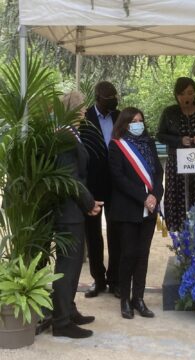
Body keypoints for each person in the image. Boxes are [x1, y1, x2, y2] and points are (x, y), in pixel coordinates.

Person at [52, 91, 103, 338]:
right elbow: (69, 179)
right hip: (68, 211)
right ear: (73, 109)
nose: (85, 111)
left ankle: (69, 309)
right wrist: (89, 202)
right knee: (68, 266)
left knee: (72, 267)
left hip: (74, 210)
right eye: (82, 107)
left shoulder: (70, 133)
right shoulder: (64, 136)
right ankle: (60, 322)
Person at [108, 107, 164, 319]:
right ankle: (124, 299)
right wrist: (143, 197)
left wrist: (155, 195)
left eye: (140, 120)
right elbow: (118, 178)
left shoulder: (148, 143)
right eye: (133, 120)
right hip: (128, 209)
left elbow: (158, 172)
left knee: (142, 255)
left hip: (149, 209)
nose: (138, 123)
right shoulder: (116, 146)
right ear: (125, 124)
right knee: (128, 254)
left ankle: (138, 298)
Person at [157, 77, 195, 231]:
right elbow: (160, 135)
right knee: (178, 199)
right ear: (177, 95)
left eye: (190, 93)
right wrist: (179, 140)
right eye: (182, 94)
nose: (186, 97)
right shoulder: (169, 112)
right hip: (177, 163)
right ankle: (179, 234)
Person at [80, 81, 120, 298]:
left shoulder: (119, 116)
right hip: (92, 186)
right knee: (93, 235)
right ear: (98, 98)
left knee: (116, 232)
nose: (114, 101)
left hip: (115, 185)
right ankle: (99, 279)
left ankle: (115, 280)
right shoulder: (84, 118)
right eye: (109, 98)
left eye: (115, 96)